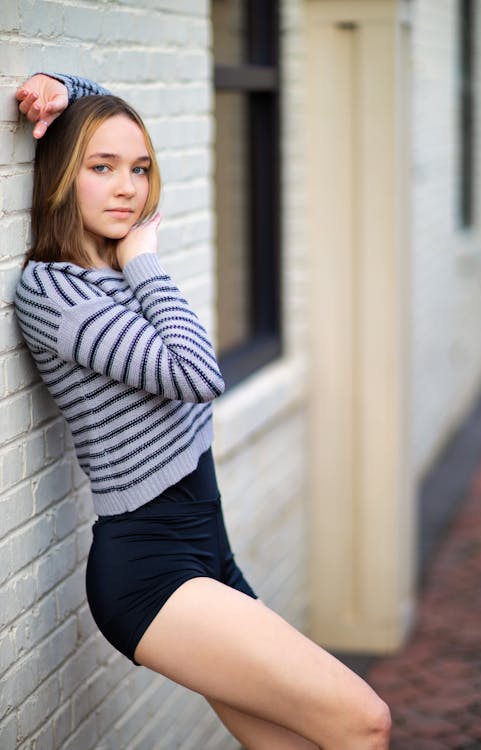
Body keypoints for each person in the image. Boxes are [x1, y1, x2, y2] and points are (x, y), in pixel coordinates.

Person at [15, 73, 391, 750]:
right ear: (64, 175)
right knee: (364, 722)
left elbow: (108, 112)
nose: (128, 187)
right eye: (102, 169)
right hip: (150, 570)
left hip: (207, 549)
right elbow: (198, 374)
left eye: (140, 169)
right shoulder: (55, 290)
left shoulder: (113, 274)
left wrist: (63, 86)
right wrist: (146, 264)